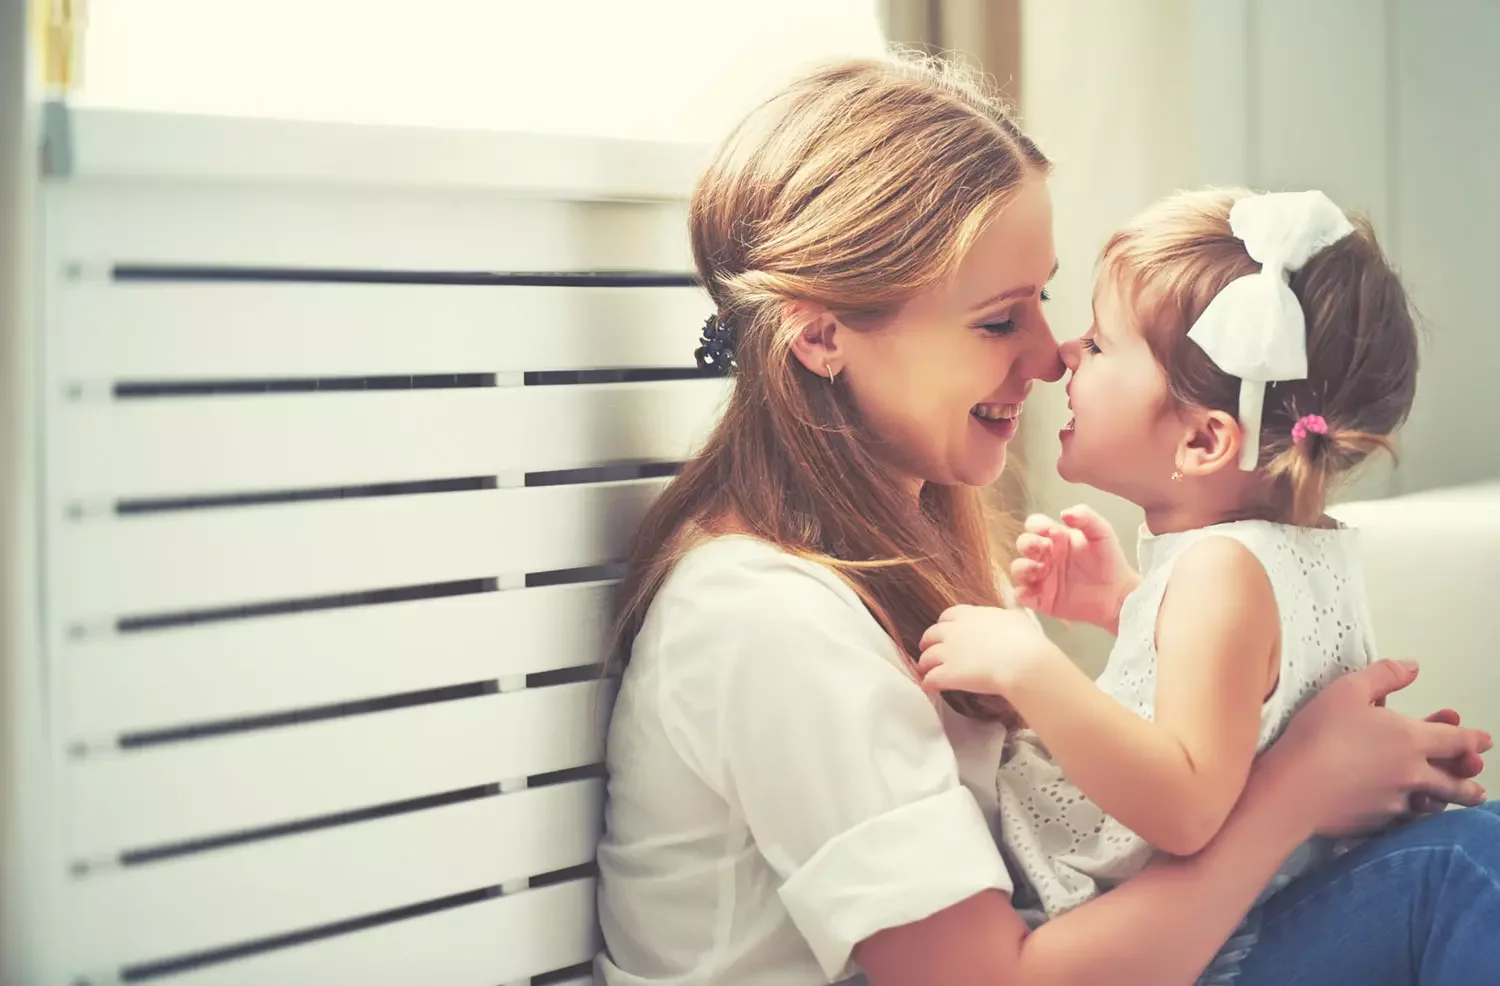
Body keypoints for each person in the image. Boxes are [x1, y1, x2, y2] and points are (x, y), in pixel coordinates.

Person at [595, 54, 1496, 986]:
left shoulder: (909, 557)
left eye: (1046, 301)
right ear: (821, 336)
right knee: (1460, 870)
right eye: (997, 321)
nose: (1049, 356)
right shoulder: (769, 623)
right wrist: (1298, 791)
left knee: (1470, 853)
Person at [914, 188, 1421, 949]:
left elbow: (1186, 808)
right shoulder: (1291, 552)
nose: (1065, 355)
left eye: (1099, 344)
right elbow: (1249, 705)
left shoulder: (1219, 572)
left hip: (1156, 934)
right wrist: (1128, 604)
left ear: (1202, 442)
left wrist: (1032, 669)